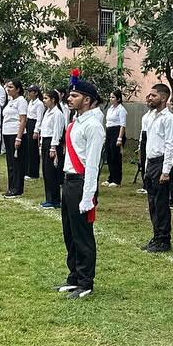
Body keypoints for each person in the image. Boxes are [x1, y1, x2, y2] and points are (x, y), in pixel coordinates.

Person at [56, 78, 107, 299]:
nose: (69, 98)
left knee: (82, 235)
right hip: (70, 181)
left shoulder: (93, 125)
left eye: (75, 96)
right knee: (69, 232)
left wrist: (88, 197)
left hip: (82, 182)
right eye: (70, 95)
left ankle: (86, 281)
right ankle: (74, 277)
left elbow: (93, 164)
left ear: (87, 100)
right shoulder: (76, 122)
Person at [141, 83, 173, 253]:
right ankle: (156, 235)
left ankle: (164, 239)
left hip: (161, 162)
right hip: (151, 162)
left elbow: (170, 145)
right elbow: (149, 143)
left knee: (161, 203)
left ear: (163, 98)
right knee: (152, 203)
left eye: (153, 95)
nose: (150, 98)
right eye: (149, 95)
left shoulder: (168, 118)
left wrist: (166, 170)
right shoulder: (151, 116)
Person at [39, 89, 66, 209]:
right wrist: (41, 143)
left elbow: (57, 131)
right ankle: (49, 198)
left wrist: (53, 147)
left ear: (53, 100)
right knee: (46, 171)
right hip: (45, 141)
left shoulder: (57, 113)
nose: (44, 101)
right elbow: (44, 129)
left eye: (46, 98)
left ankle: (55, 200)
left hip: (53, 143)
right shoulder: (47, 112)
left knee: (52, 172)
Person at [1, 81, 28, 197]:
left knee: (17, 162)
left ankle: (17, 188)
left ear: (18, 89)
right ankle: (11, 186)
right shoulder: (10, 101)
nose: (8, 89)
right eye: (7, 87)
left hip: (15, 133)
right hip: (7, 133)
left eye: (11, 87)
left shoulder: (21, 101)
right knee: (10, 162)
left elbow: (23, 120)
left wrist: (19, 137)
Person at [103, 91, 127, 186]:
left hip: (116, 132)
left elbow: (122, 125)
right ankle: (111, 178)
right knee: (109, 156)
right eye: (110, 97)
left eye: (113, 97)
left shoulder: (121, 110)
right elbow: (108, 123)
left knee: (115, 157)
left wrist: (119, 138)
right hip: (109, 132)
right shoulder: (110, 109)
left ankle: (116, 180)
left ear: (118, 99)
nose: (111, 99)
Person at [25, 84, 44, 180]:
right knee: (28, 148)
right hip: (29, 123)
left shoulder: (39, 104)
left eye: (30, 92)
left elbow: (39, 118)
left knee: (33, 149)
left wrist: (36, 131)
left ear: (36, 93)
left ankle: (34, 173)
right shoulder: (30, 102)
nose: (29, 93)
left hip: (34, 124)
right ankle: (28, 170)